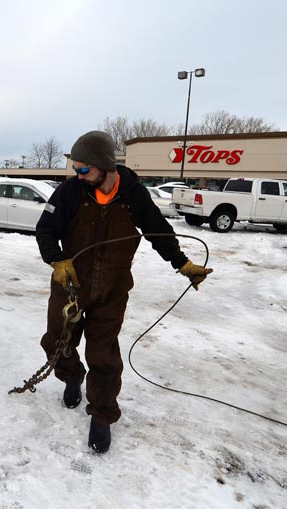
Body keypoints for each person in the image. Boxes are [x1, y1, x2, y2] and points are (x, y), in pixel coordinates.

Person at [35, 130, 213, 454]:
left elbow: (158, 232)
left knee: (103, 355)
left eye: (84, 169)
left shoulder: (133, 194)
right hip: (70, 284)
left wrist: (182, 264)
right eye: (75, 169)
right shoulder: (69, 193)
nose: (78, 175)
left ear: (104, 166)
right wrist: (57, 261)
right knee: (56, 342)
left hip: (112, 289)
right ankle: (72, 376)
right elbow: (45, 229)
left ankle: (101, 417)